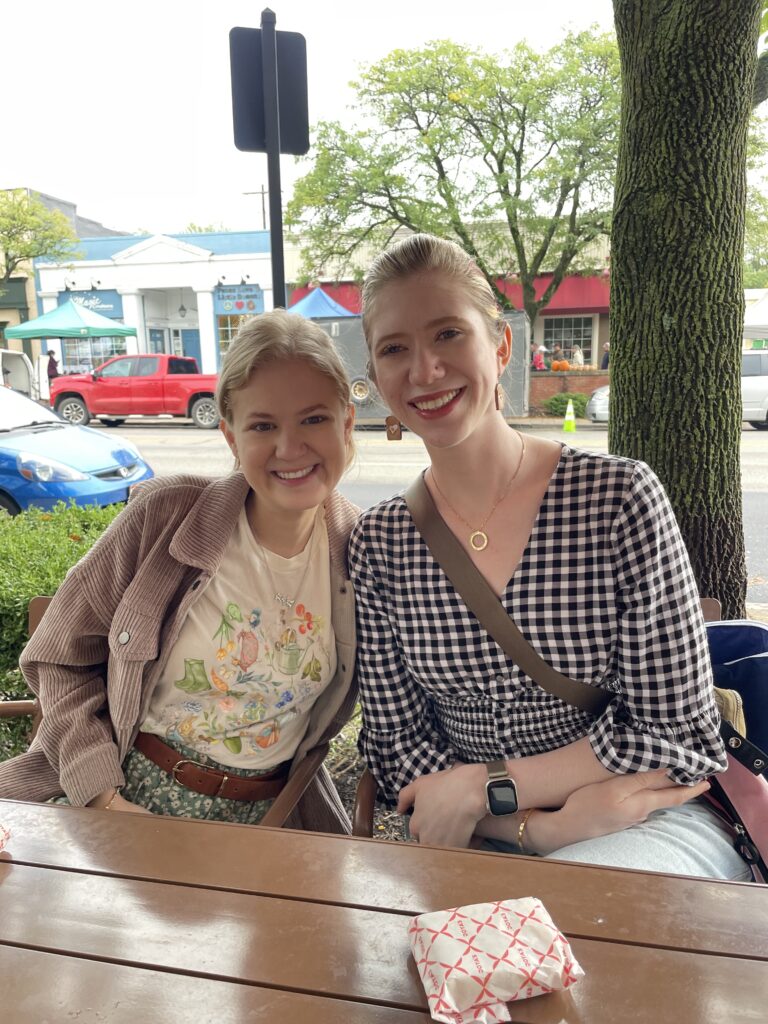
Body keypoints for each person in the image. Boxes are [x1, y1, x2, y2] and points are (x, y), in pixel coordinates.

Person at [349, 233, 749, 880]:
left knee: (579, 928)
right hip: (477, 835)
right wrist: (535, 827)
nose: (424, 370)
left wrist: (487, 785)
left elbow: (680, 735)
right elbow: (398, 748)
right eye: (395, 348)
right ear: (376, 374)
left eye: (448, 334)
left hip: (640, 818)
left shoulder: (617, 497)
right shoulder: (383, 543)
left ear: (500, 345)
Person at [0, 310, 359, 831]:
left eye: (314, 418)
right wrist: (102, 796)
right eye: (263, 425)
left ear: (346, 422)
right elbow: (59, 658)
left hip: (275, 822)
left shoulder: (362, 548)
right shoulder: (167, 517)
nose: (290, 447)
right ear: (231, 436)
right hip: (125, 798)